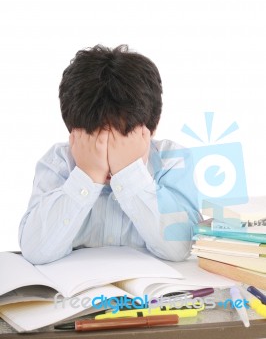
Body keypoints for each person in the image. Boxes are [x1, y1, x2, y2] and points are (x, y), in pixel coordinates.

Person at [18, 44, 202, 264]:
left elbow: (182, 248)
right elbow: (34, 250)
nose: (107, 154)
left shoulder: (173, 159)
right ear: (74, 134)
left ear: (150, 131)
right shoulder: (59, 162)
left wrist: (129, 173)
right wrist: (87, 176)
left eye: (120, 141)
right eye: (96, 140)